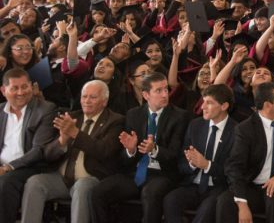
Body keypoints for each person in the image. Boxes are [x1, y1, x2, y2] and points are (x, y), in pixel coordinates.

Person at [89, 72, 191, 223]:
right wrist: (131, 150)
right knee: (98, 192)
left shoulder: (180, 116)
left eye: (166, 89)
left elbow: (175, 155)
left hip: (163, 174)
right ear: (146, 95)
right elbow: (122, 159)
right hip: (135, 173)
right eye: (158, 90)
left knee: (150, 193)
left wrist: (154, 150)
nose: (165, 94)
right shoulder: (133, 114)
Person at [20, 80, 124, 223]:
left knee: (81, 187)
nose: (87, 101)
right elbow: (48, 154)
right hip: (62, 178)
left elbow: (103, 150)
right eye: (84, 96)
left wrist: (75, 133)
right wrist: (62, 140)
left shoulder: (115, 121)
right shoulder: (71, 117)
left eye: (93, 97)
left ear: (104, 101)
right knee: (35, 182)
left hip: (92, 178)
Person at [215, 82, 274, 223]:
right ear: (268, 105)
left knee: (273, 196)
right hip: (254, 185)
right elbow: (234, 166)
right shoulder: (245, 129)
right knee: (225, 201)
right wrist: (242, 203)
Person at [163, 84, 236, 223]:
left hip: (218, 188)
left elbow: (233, 171)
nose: (202, 107)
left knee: (207, 209)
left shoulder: (237, 131)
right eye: (203, 101)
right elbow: (181, 163)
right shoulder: (195, 125)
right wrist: (192, 164)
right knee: (170, 200)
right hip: (192, 184)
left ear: (224, 106)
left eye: (209, 103)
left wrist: (207, 165)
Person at [0, 68, 57, 223]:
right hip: (3, 166)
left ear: (31, 86)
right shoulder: (0, 111)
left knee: (5, 183)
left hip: (30, 167)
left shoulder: (45, 109)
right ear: (4, 90)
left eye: (24, 87)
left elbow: (39, 150)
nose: (21, 92)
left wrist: (7, 167)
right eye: (15, 88)